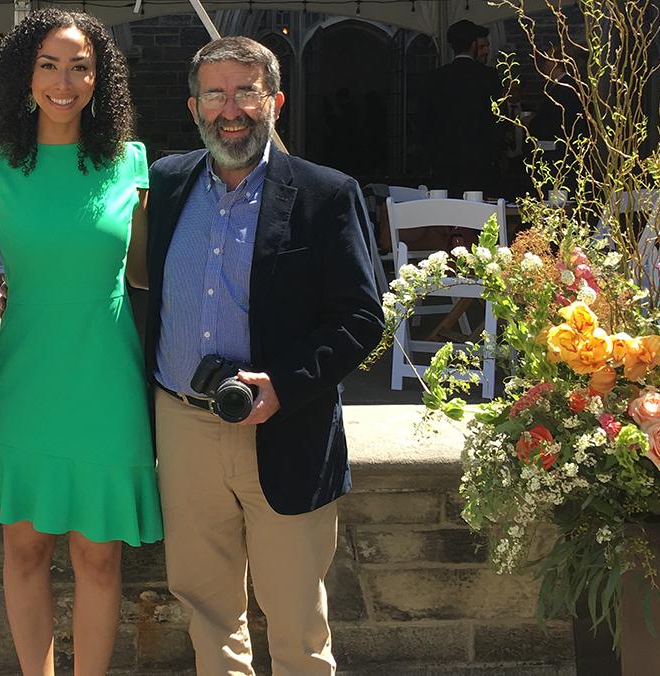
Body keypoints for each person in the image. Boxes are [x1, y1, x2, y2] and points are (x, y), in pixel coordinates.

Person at [139, 37, 384, 675]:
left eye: (247, 91)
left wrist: (284, 383)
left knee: (296, 617)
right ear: (194, 106)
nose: (231, 110)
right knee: (208, 608)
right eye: (215, 94)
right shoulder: (165, 185)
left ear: (274, 101)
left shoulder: (325, 194)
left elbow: (361, 318)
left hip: (286, 427)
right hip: (184, 424)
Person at [0, 9, 162, 675]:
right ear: (24, 76)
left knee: (100, 557)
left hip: (106, 381)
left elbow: (147, 275)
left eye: (80, 66)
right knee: (24, 552)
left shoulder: (131, 166)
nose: (64, 80)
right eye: (48, 64)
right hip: (23, 381)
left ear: (100, 80)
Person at [418, 20, 503, 196]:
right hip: (481, 163)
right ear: (474, 45)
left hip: (444, 163)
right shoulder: (488, 76)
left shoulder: (435, 78)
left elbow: (422, 122)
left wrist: (432, 155)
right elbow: (499, 119)